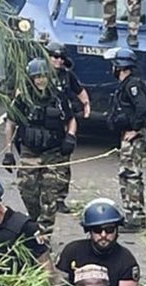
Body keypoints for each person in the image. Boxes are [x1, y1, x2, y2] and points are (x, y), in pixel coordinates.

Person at [2, 58, 78, 236]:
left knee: (49, 195)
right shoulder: (23, 99)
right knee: (27, 190)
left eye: (43, 76)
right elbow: (10, 124)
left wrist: (70, 137)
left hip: (54, 153)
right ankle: (35, 222)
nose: (40, 80)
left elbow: (71, 119)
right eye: (36, 77)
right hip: (30, 152)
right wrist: (8, 152)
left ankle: (44, 235)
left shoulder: (59, 97)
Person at [56, 199, 141, 286]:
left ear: (117, 229)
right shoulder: (72, 251)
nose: (103, 235)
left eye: (109, 230)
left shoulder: (126, 260)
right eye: (97, 230)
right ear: (89, 231)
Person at [105, 49, 146, 232]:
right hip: (126, 134)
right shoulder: (125, 85)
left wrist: (135, 129)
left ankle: (135, 217)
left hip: (133, 136)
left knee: (131, 175)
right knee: (127, 175)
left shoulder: (133, 85)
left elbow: (142, 107)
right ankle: (131, 214)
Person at [46, 41, 89, 214]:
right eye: (55, 57)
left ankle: (60, 198)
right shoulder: (37, 73)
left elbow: (79, 91)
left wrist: (86, 104)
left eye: (61, 58)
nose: (58, 61)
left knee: (63, 164)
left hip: (62, 122)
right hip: (43, 124)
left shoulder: (66, 75)